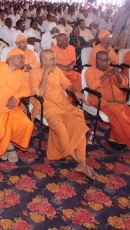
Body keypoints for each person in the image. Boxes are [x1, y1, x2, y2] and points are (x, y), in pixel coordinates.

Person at [29, 49, 97, 179]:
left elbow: (67, 85)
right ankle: (79, 161)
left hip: (63, 105)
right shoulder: (34, 72)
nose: (56, 61)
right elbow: (40, 94)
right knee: (59, 127)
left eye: (55, 58)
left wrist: (76, 92)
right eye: (53, 59)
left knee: (79, 124)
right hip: (47, 107)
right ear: (44, 60)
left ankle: (81, 162)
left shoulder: (57, 71)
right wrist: (45, 74)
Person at [85, 51, 130, 149]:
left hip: (118, 100)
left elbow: (123, 84)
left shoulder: (112, 69)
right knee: (120, 115)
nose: (105, 63)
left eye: (107, 60)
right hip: (101, 100)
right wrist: (106, 74)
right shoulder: (90, 71)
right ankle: (123, 139)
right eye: (102, 60)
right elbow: (92, 86)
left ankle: (116, 140)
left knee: (126, 113)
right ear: (97, 60)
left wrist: (118, 75)